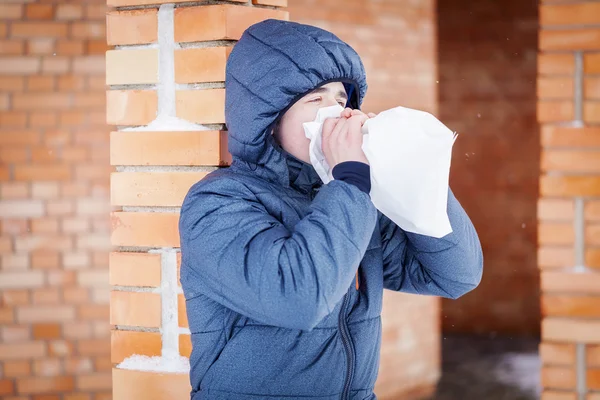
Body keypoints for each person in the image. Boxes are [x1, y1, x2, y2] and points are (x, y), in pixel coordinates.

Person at [179, 18, 483, 400]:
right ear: (268, 118)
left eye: (341, 99)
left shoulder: (351, 198)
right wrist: (351, 181)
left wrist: (414, 176)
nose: (335, 112)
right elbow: (298, 299)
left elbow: (455, 275)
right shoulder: (218, 203)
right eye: (315, 99)